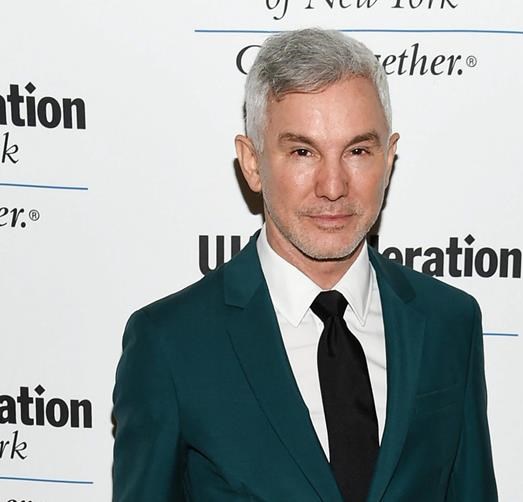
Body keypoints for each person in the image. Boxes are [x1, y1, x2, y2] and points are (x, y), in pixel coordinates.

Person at [112, 28, 498, 502]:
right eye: (302, 152)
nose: (332, 186)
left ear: (389, 157)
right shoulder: (171, 344)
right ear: (252, 163)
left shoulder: (449, 322)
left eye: (357, 151)